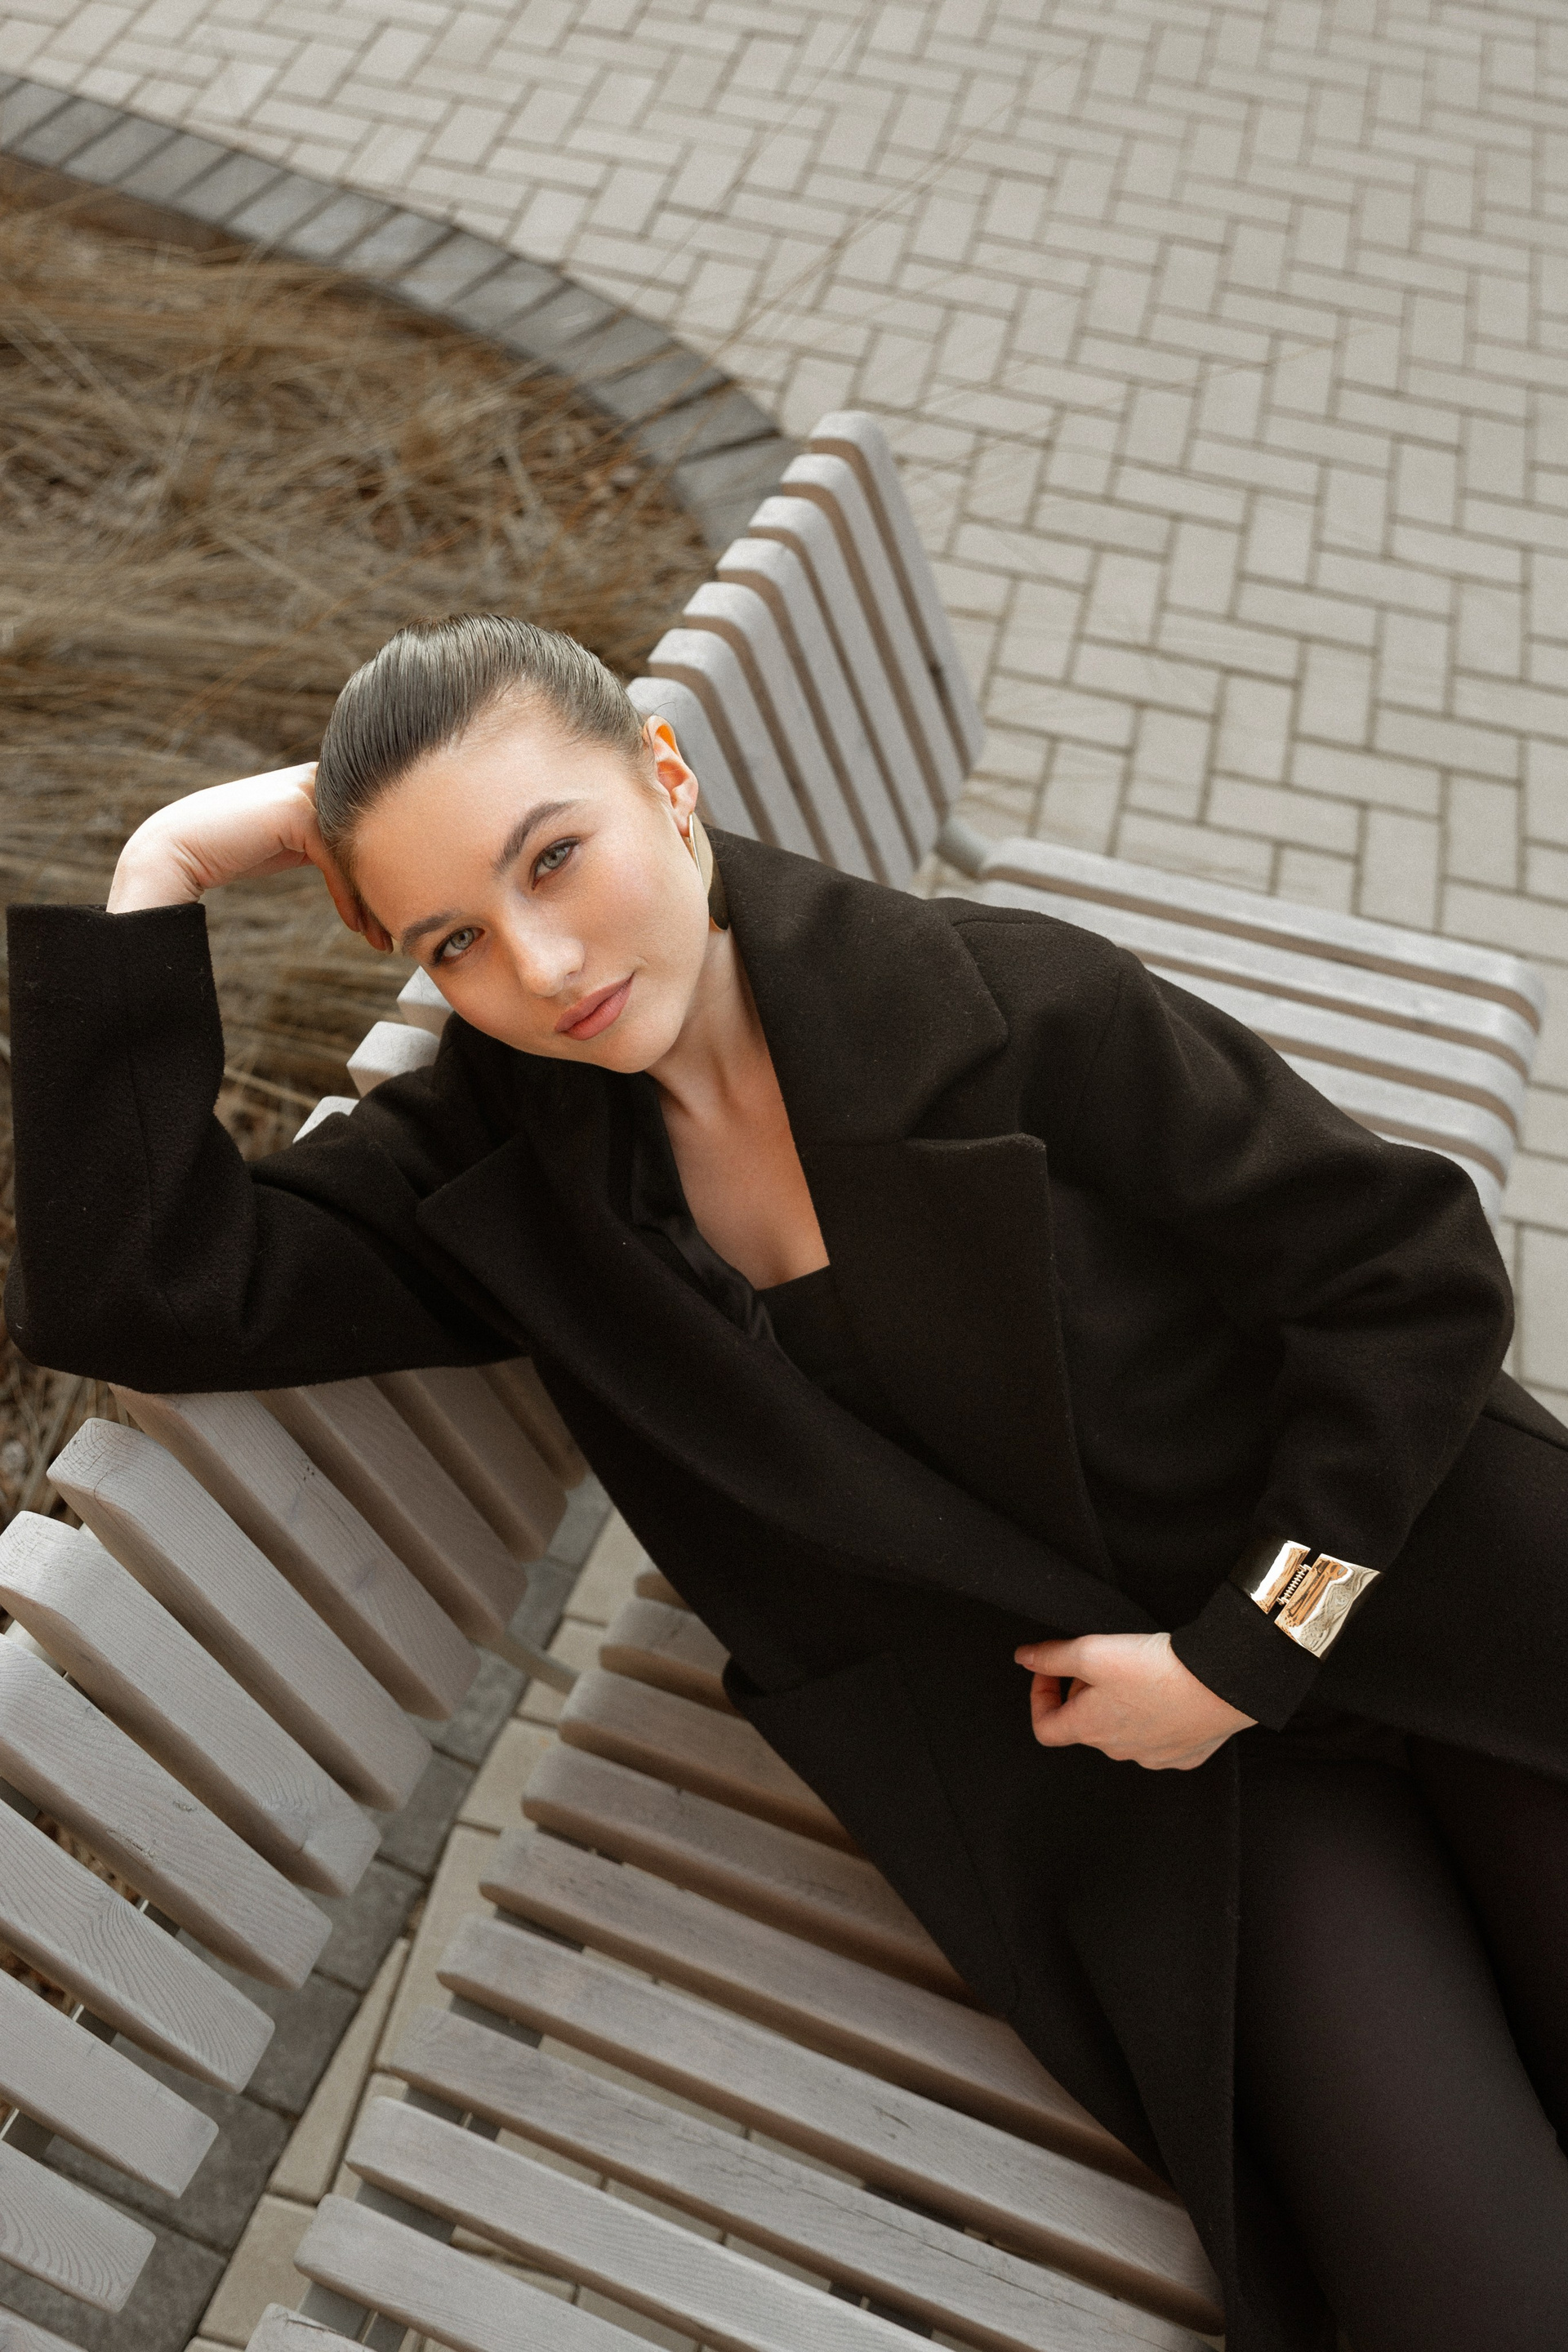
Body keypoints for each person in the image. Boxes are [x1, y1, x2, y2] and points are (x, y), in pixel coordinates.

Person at [7, 614, 1568, 2352]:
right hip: (1159, 1795)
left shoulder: (1014, 1003)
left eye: (553, 856)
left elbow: (1412, 1279)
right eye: (455, 939)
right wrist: (162, 867)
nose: (542, 963)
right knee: (1481, 2293)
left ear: (666, 783)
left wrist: (1248, 1651)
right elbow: (141, 1290)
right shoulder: (503, 1182)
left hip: (1425, 1603)